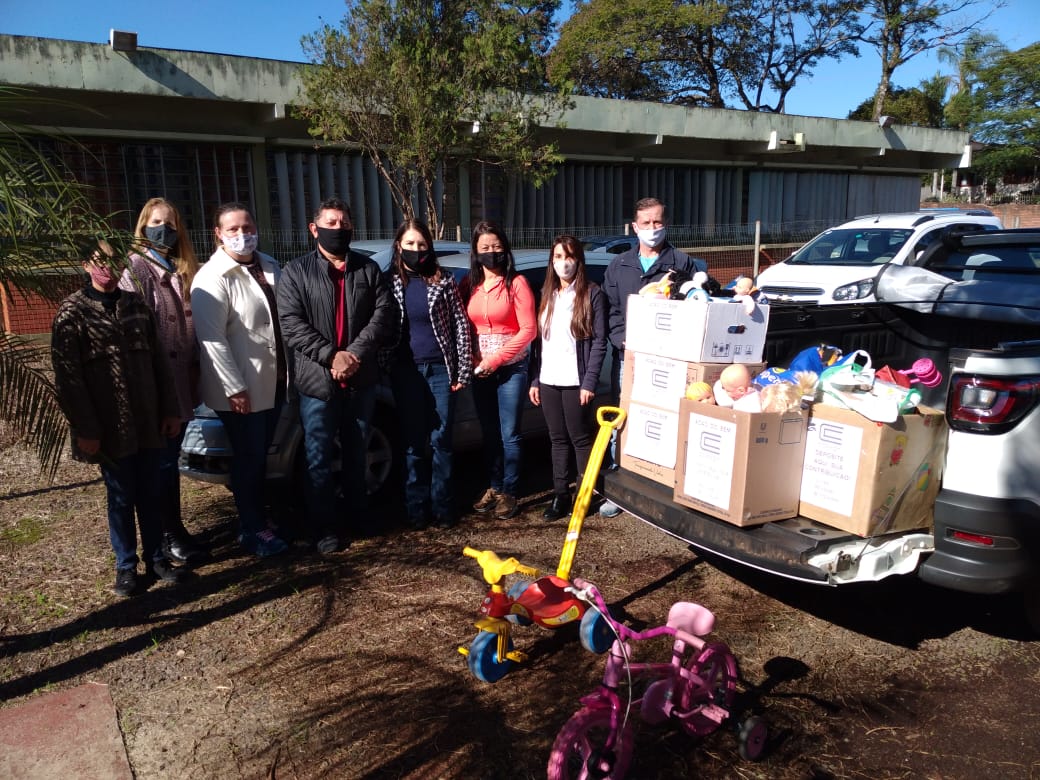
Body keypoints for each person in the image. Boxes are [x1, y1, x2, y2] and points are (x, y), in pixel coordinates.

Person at [52, 242, 186, 597]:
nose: (107, 269)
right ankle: (126, 566)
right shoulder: (72, 312)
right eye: (99, 261)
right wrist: (86, 429)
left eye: (114, 261)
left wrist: (171, 410)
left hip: (148, 421)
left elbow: (160, 363)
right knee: (121, 496)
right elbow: (69, 379)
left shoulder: (136, 306)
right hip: (109, 428)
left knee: (151, 493)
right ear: (85, 265)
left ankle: (157, 559)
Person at [277, 197, 395, 552]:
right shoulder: (296, 272)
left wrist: (353, 354)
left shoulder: (367, 269)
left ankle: (359, 516)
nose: (338, 229)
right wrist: (331, 356)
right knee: (318, 457)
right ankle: (324, 528)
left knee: (357, 451)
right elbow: (291, 323)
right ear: (314, 229)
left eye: (344, 223)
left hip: (360, 378)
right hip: (317, 381)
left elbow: (383, 314)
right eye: (331, 223)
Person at [192, 202, 289, 557]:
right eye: (232, 229)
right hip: (242, 389)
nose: (242, 234)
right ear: (218, 234)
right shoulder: (212, 277)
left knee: (260, 457)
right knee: (248, 459)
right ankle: (252, 529)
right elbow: (212, 340)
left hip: (273, 382)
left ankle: (259, 519)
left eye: (247, 227)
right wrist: (234, 387)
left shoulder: (269, 265)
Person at [600, 197, 707, 517]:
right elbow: (611, 310)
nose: (652, 228)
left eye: (657, 222)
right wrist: (621, 339)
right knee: (625, 417)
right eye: (645, 223)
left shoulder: (682, 263)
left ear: (666, 224)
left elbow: (696, 308)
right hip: (629, 356)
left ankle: (660, 483)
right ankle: (620, 486)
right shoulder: (619, 265)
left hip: (669, 360)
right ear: (634, 227)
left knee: (664, 419)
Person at [119, 197, 206, 565]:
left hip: (181, 382)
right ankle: (166, 536)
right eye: (156, 223)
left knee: (169, 463)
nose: (163, 230)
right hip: (156, 387)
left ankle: (174, 529)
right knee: (161, 466)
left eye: (170, 225)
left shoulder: (181, 268)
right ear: (142, 227)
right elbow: (133, 331)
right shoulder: (137, 268)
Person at [382, 218, 473, 530]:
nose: (416, 249)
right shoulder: (389, 281)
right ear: (399, 246)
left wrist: (462, 369)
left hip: (440, 369)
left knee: (441, 440)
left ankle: (443, 507)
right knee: (413, 442)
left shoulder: (442, 279)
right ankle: (416, 509)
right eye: (410, 244)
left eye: (421, 244)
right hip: (406, 371)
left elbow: (460, 324)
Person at [528, 235, 608, 521]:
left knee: (579, 438)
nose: (564, 263)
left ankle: (584, 496)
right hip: (549, 379)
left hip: (576, 381)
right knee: (557, 439)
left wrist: (589, 382)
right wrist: (535, 380)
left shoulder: (592, 294)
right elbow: (539, 343)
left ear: (578, 260)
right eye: (559, 257)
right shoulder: (547, 293)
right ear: (552, 261)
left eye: (570, 256)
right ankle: (560, 495)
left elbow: (599, 342)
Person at [461, 221, 537, 520]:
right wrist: (473, 359)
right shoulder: (470, 285)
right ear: (476, 251)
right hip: (480, 370)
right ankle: (494, 486)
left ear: (505, 248)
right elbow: (463, 326)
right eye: (485, 247)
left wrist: (494, 360)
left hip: (511, 368)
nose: (491, 252)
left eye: (496, 246)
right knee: (489, 431)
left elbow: (528, 329)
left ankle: (510, 491)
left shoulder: (516, 283)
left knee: (510, 434)